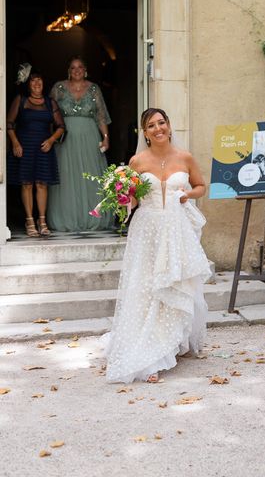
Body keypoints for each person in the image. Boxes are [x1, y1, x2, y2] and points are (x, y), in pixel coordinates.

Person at [103, 108, 211, 384]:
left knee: (175, 283)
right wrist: (122, 196)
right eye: (151, 125)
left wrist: (187, 195)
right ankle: (149, 346)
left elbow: (201, 186)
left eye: (161, 122)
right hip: (147, 230)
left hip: (176, 229)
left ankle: (175, 339)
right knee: (147, 285)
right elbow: (133, 199)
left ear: (169, 126)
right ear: (145, 132)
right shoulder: (137, 161)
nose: (158, 128)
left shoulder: (185, 157)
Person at [47, 56, 112, 231]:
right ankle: (66, 218)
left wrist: (105, 137)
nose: (77, 70)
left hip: (89, 136)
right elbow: (48, 112)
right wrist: (49, 136)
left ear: (85, 70)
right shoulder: (58, 87)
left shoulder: (93, 88)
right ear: (69, 71)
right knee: (67, 175)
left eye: (80, 67)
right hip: (64, 138)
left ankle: (93, 216)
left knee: (90, 174)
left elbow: (100, 115)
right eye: (73, 68)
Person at [6, 64, 65, 237]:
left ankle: (42, 220)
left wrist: (51, 140)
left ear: (43, 82)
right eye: (33, 80)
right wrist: (15, 143)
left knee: (41, 183)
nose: (37, 82)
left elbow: (61, 126)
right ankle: (29, 220)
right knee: (26, 183)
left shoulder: (50, 102)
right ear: (28, 84)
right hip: (24, 147)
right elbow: (9, 124)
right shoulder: (21, 100)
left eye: (39, 79)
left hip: (43, 147)